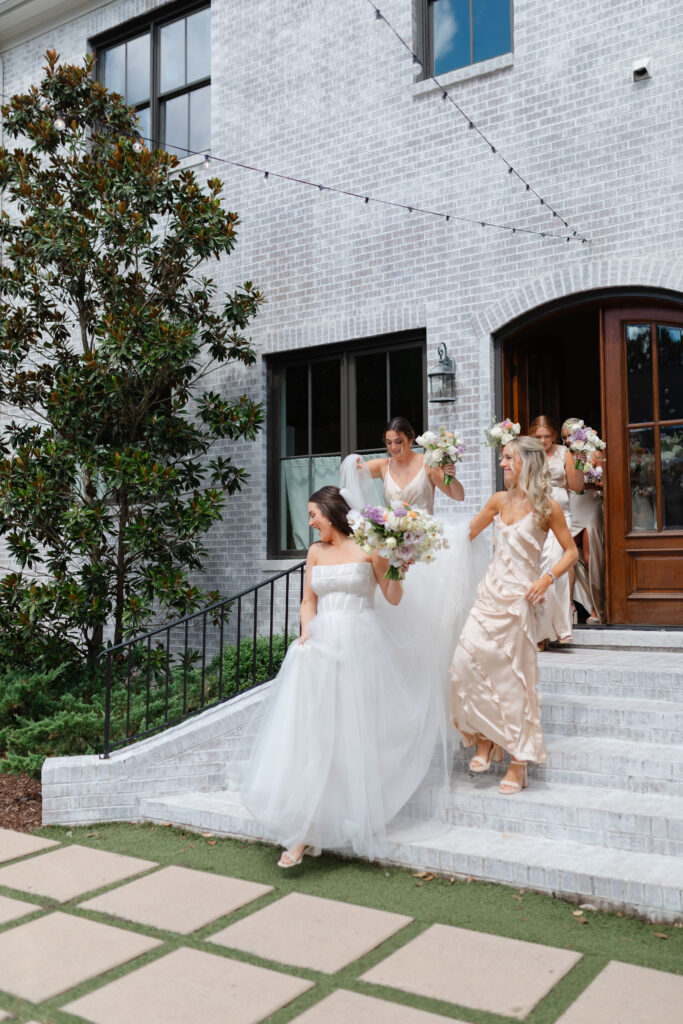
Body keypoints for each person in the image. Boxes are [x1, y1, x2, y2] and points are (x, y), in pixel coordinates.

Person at [236, 486, 446, 868]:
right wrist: (306, 632)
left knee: (351, 733)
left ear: (331, 514)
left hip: (361, 644)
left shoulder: (370, 546)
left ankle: (349, 815)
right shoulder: (315, 552)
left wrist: (398, 565)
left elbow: (393, 597)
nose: (310, 521)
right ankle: (302, 833)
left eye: (313, 514)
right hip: (318, 646)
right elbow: (307, 601)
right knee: (313, 735)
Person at [339, 417, 489, 737]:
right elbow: (353, 469)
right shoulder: (384, 465)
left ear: (411, 439)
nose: (395, 449)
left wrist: (449, 473)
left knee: (431, 626)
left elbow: (458, 496)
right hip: (396, 547)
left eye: (400, 442)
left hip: (426, 547)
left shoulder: (427, 464)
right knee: (398, 620)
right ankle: (403, 700)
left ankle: (441, 701)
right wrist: (356, 465)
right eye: (389, 443)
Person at [450, 436, 578, 794]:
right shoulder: (497, 501)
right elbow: (464, 536)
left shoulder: (547, 507)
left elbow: (571, 553)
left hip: (521, 601)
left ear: (527, 463)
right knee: (464, 662)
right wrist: (415, 538)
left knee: (516, 679)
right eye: (503, 458)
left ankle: (519, 762)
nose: (502, 464)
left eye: (508, 458)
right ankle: (485, 738)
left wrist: (546, 578)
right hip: (489, 596)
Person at [530, 415, 584, 645]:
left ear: (554, 435)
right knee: (535, 566)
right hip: (535, 514)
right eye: (538, 437)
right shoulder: (528, 454)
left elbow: (577, 486)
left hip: (561, 514)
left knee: (554, 562)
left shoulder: (565, 453)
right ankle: (541, 630)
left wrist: (580, 462)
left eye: (547, 436)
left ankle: (560, 626)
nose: (543, 440)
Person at [561, 418, 605, 624]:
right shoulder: (565, 456)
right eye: (564, 437)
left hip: (591, 504)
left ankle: (599, 608)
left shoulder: (596, 453)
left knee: (589, 558)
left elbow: (606, 482)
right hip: (573, 506)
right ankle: (571, 605)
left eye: (571, 435)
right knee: (568, 556)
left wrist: (590, 485)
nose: (568, 440)